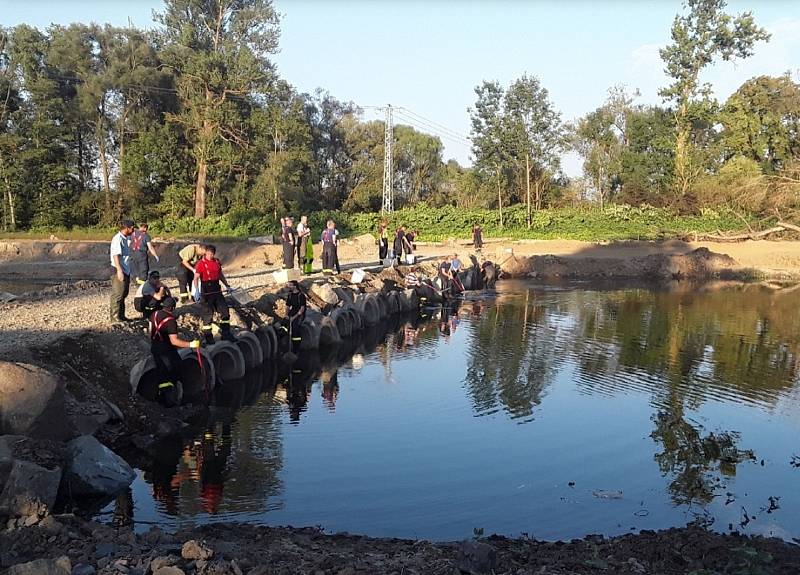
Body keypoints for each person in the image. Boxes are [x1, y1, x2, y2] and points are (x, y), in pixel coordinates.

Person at [149, 297, 201, 407]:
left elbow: (151, 331)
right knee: (174, 371)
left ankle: (161, 399)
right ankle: (172, 401)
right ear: (172, 308)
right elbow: (174, 341)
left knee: (162, 373)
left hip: (155, 348)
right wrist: (191, 344)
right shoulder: (171, 321)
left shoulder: (154, 314)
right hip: (166, 350)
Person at [193, 244, 234, 344]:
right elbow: (196, 278)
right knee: (208, 315)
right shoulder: (201, 264)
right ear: (205, 253)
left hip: (216, 289)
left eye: (212, 254)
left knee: (224, 311)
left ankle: (226, 333)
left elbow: (220, 274)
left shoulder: (216, 262)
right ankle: (209, 338)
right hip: (206, 290)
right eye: (209, 253)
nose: (210, 256)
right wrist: (196, 291)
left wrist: (227, 286)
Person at [109, 219, 135, 323]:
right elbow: (116, 256)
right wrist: (119, 271)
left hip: (125, 269)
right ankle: (115, 318)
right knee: (118, 294)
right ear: (127, 228)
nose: (133, 229)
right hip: (118, 269)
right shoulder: (118, 239)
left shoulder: (125, 238)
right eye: (132, 227)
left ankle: (121, 316)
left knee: (124, 293)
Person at [280, 280, 306, 352]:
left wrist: (294, 318)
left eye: (290, 285)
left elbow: (302, 309)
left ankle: (296, 347)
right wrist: (286, 315)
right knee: (283, 324)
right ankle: (284, 343)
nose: (289, 286)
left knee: (295, 328)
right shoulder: (290, 295)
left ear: (295, 286)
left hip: (299, 314)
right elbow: (288, 306)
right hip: (292, 312)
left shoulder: (301, 295)